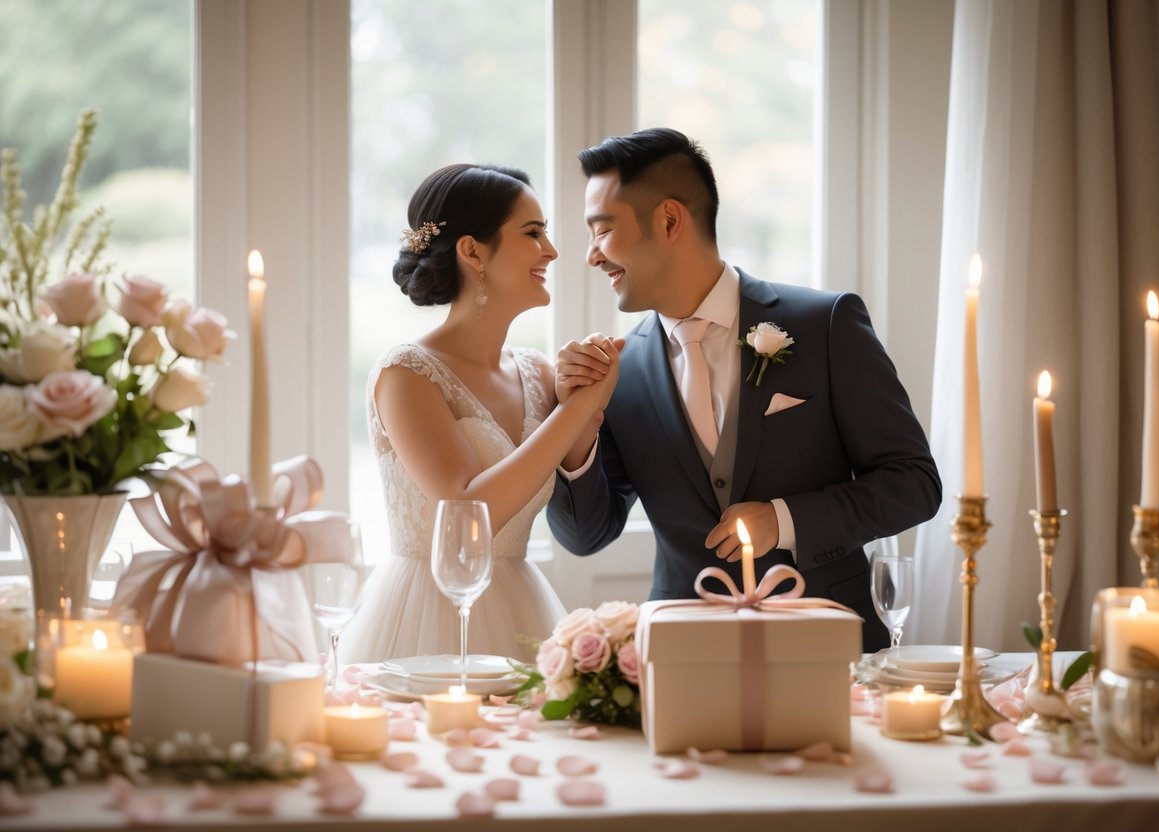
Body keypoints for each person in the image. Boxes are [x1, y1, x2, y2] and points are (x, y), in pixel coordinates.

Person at [547, 128, 941, 652]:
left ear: (668, 220)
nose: (592, 256)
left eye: (602, 230)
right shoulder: (621, 368)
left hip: (830, 642)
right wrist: (575, 426)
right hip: (683, 653)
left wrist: (784, 520)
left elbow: (914, 484)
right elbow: (585, 536)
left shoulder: (824, 324)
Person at [343, 163, 619, 664]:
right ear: (473, 251)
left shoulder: (537, 370)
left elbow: (570, 470)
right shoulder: (407, 374)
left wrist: (589, 397)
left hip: (523, 606)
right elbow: (469, 512)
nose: (552, 251)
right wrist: (575, 408)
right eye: (532, 233)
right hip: (427, 618)